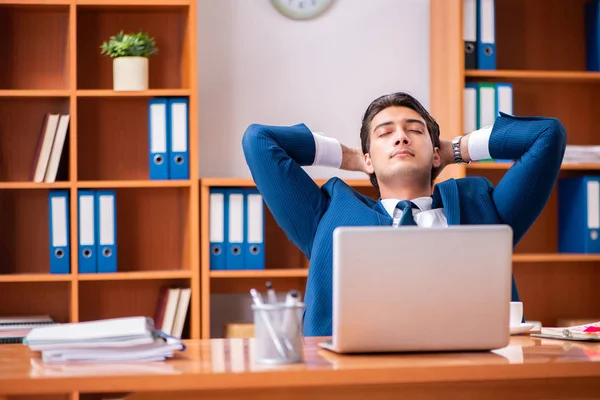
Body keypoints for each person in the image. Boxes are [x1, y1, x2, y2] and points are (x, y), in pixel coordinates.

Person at [242, 91, 567, 337]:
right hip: (356, 381)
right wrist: (354, 157)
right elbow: (259, 141)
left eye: (415, 130)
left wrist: (457, 149)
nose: (400, 136)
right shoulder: (329, 213)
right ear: (368, 158)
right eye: (385, 133)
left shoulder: (481, 204)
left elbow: (547, 136)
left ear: (435, 150)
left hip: (469, 375)